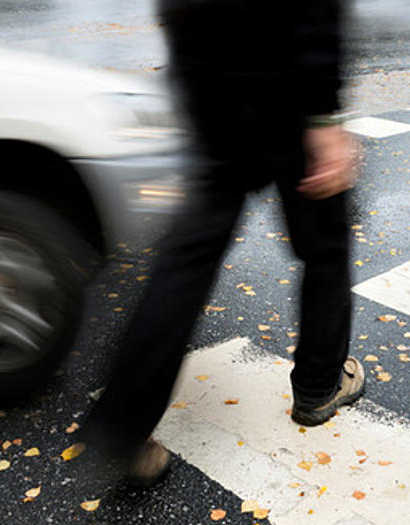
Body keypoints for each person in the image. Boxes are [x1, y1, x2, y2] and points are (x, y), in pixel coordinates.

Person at [83, 0, 363, 485]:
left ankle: (123, 424)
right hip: (283, 77)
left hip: (206, 74)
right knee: (325, 244)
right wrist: (323, 116)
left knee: (187, 257)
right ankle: (319, 387)